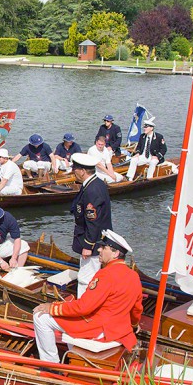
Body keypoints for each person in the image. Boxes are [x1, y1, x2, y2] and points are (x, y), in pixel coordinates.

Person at [32, 230, 143, 363]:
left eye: (104, 247)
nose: (99, 250)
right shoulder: (134, 276)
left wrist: (52, 307)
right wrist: (134, 325)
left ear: (115, 253)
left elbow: (84, 307)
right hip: (120, 330)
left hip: (100, 329)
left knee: (40, 317)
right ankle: (73, 357)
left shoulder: (105, 274)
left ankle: (50, 364)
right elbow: (137, 309)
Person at [69, 153, 112, 298]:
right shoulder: (95, 183)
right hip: (95, 238)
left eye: (75, 168)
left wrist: (88, 245)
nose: (73, 171)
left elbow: (93, 221)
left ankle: (83, 305)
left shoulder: (92, 190)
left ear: (82, 171)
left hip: (92, 241)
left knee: (85, 277)